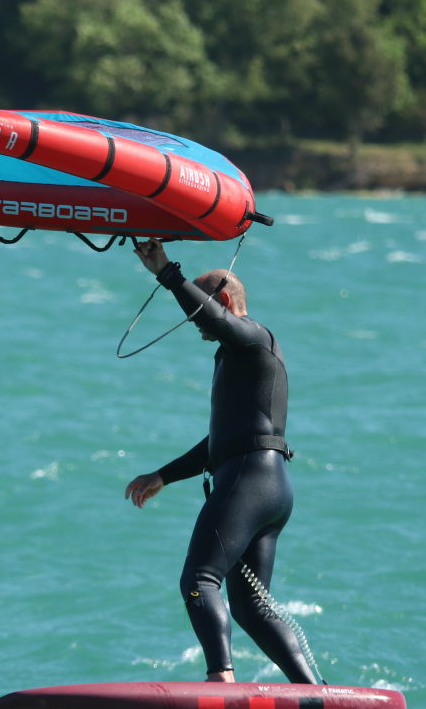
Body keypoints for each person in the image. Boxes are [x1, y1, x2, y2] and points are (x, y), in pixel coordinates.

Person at [123, 238, 322, 685]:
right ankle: (315, 696)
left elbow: (216, 319)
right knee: (251, 608)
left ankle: (221, 679)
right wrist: (164, 476)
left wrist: (166, 272)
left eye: (198, 311)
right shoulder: (237, 356)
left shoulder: (255, 338)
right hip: (268, 483)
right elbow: (224, 440)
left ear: (225, 302)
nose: (193, 321)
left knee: (199, 578)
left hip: (250, 481)